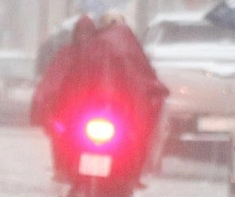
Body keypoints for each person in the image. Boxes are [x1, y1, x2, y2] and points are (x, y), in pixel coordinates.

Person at [28, 15, 167, 185]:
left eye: (87, 32)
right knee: (61, 136)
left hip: (113, 114)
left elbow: (139, 84)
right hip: (79, 114)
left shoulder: (117, 54)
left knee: (132, 139)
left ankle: (129, 175)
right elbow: (55, 82)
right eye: (81, 32)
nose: (83, 37)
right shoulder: (70, 54)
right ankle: (65, 170)